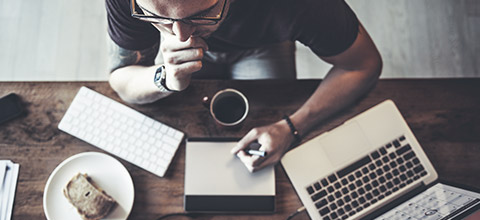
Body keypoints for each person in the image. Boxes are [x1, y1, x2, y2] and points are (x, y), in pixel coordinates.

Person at [105, 0, 382, 172]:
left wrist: (291, 127)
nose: (181, 37)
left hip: (262, 46)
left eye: (201, 15)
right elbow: (121, 78)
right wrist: (164, 77)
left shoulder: (303, 4)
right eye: (159, 17)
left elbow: (364, 65)